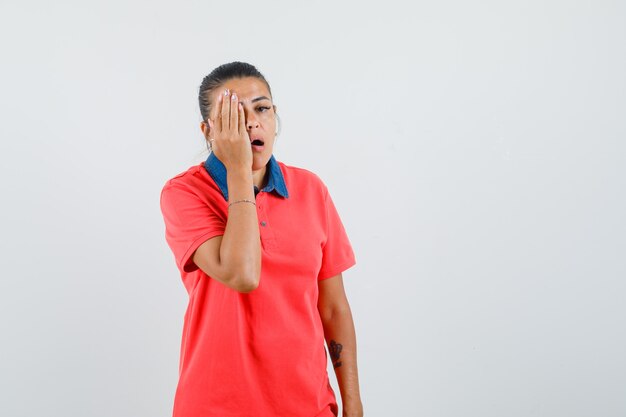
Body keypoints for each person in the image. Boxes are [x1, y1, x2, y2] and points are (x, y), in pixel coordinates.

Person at [159, 61, 363, 417]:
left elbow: (333, 308)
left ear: (274, 116)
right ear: (209, 130)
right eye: (234, 114)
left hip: (308, 405)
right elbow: (242, 274)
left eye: (261, 108)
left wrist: (353, 404)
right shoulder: (184, 193)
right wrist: (239, 170)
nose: (252, 121)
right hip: (216, 406)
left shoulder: (311, 190)